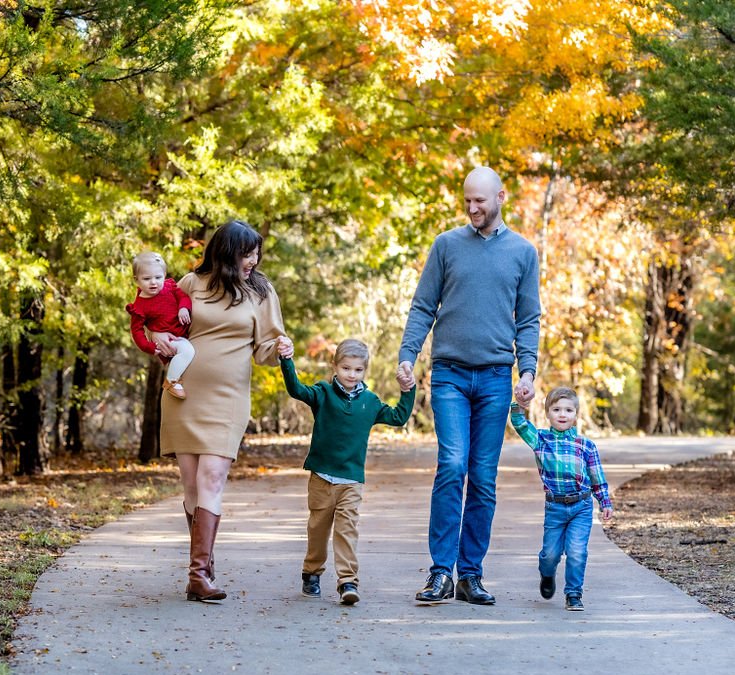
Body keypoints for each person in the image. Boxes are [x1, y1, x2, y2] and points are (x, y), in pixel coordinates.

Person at [397, 166, 541, 605]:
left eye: (480, 200)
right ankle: (441, 572)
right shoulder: (446, 246)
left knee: (482, 478)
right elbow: (423, 306)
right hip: (450, 375)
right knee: (452, 465)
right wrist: (407, 355)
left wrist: (528, 370)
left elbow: (529, 318)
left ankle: (470, 575)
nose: (473, 208)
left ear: (501, 197)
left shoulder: (523, 252)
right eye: (467, 202)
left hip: (498, 377)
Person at [152, 219, 286, 603]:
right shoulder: (190, 284)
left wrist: (280, 349)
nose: (254, 260)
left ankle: (197, 574)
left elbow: (265, 349)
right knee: (192, 485)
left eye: (257, 253)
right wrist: (160, 341)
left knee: (212, 478)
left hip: (228, 399)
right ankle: (203, 570)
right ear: (227, 253)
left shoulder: (260, 290)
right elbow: (161, 325)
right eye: (248, 253)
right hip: (183, 394)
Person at [278, 337, 415, 605]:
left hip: (351, 480)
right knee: (317, 529)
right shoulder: (322, 394)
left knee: (347, 529)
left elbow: (398, 417)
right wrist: (287, 360)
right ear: (335, 366)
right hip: (321, 476)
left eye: (358, 370)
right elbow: (296, 389)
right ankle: (312, 573)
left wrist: (407, 390)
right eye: (346, 368)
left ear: (365, 370)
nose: (351, 374)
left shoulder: (370, 402)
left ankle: (347, 582)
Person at [510, 386, 613, 611]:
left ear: (576, 415)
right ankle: (547, 574)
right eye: (556, 409)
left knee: (577, 552)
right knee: (550, 554)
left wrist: (604, 501)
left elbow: (597, 476)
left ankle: (574, 594)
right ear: (547, 413)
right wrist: (519, 403)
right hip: (555, 507)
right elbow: (519, 423)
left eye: (568, 410)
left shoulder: (586, 446)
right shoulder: (540, 440)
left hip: (582, 506)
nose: (562, 414)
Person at [125, 251, 194, 399]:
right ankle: (171, 381)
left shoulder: (169, 287)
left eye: (158, 277)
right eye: (147, 278)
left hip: (182, 331)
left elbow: (183, 297)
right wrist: (148, 347)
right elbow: (136, 331)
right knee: (187, 351)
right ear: (137, 280)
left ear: (164, 275)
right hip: (169, 340)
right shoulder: (140, 306)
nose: (153, 282)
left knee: (187, 351)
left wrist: (183, 307)